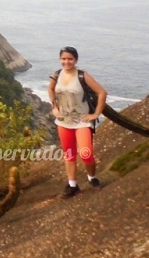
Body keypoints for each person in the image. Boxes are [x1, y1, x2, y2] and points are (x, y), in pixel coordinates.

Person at [47, 46, 107, 198]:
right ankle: (73, 185)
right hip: (63, 122)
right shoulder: (57, 74)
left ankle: (92, 178)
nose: (66, 62)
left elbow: (102, 92)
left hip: (81, 121)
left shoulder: (82, 75)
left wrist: (96, 114)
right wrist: (54, 107)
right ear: (60, 59)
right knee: (69, 154)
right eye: (64, 59)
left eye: (70, 59)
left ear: (76, 60)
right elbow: (51, 90)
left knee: (86, 154)